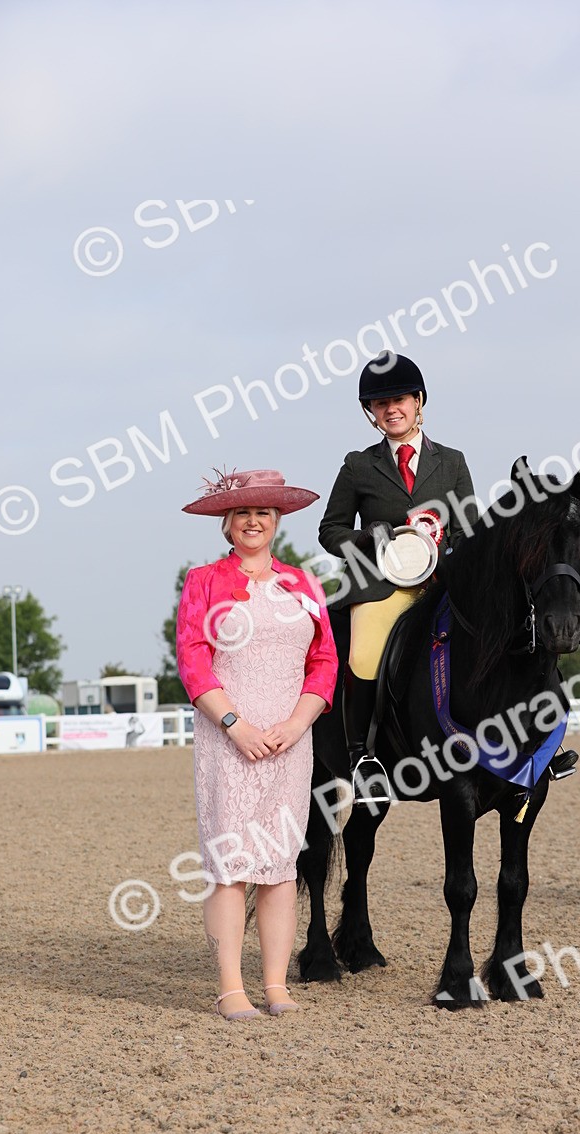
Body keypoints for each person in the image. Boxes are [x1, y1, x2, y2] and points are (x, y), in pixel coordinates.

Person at [177, 468, 338, 1020]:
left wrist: (298, 723)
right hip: (229, 742)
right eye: (243, 512)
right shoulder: (202, 582)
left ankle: (275, 985)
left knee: (281, 865)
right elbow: (193, 659)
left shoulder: (304, 584)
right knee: (232, 866)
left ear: (277, 521)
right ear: (227, 524)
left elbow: (324, 661)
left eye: (263, 513)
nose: (253, 521)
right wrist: (234, 724)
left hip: (291, 743)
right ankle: (230, 986)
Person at [318, 351, 475, 800]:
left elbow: (467, 530)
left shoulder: (452, 462)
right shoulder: (358, 465)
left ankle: (539, 741)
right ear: (372, 412)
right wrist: (367, 538)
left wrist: (454, 561)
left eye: (399, 399)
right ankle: (361, 754)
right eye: (380, 403)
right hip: (380, 586)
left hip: (441, 583)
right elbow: (329, 531)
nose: (391, 409)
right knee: (364, 655)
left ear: (418, 400)